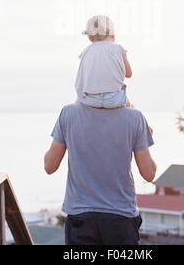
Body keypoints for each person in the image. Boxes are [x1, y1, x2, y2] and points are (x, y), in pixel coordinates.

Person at [44, 102, 156, 245]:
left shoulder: (68, 113)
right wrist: (144, 136)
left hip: (81, 217)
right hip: (121, 217)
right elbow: (149, 174)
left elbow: (49, 166)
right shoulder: (134, 117)